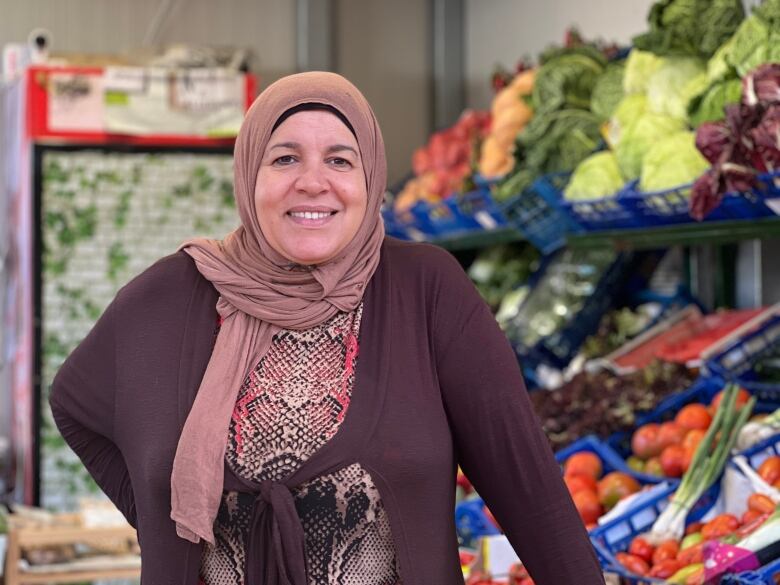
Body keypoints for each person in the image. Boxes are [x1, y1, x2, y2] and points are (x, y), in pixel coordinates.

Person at [50, 71, 604, 585]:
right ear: (249, 174)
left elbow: (528, 488)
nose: (313, 183)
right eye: (285, 158)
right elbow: (75, 404)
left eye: (340, 161)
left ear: (370, 177)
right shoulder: (170, 295)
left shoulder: (426, 289)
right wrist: (163, 528)